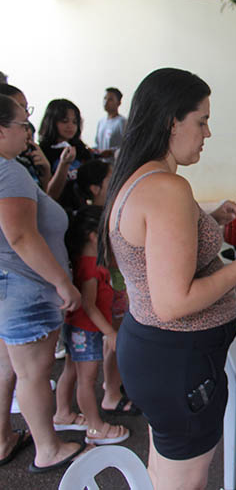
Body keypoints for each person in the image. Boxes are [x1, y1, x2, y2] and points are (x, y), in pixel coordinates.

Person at [98, 67, 236, 490]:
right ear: (171, 122)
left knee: (164, 474)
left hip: (157, 355)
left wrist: (208, 221)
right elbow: (174, 302)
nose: (208, 133)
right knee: (185, 483)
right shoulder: (167, 189)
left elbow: (157, 249)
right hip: (178, 360)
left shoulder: (140, 178)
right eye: (202, 121)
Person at [0, 94, 87, 472]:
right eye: (22, 125)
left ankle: (3, 439)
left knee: (8, 369)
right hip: (26, 287)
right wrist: (62, 283)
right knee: (33, 373)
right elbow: (21, 236)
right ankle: (48, 449)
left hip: (8, 286)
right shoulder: (8, 172)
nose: (28, 132)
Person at [54, 206, 130, 445]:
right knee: (86, 380)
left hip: (78, 328)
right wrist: (110, 332)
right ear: (94, 236)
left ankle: (62, 414)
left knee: (71, 371)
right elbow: (88, 304)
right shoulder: (89, 266)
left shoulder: (88, 260)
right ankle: (95, 427)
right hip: (86, 331)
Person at [38, 99, 95, 210]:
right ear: (52, 122)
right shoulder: (43, 152)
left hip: (81, 209)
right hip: (55, 209)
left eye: (74, 122)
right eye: (64, 121)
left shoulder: (81, 150)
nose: (70, 126)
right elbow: (49, 193)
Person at [0, 84, 51, 189]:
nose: (27, 114)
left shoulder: (25, 159)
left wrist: (45, 173)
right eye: (20, 107)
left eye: (26, 108)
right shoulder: (9, 170)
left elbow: (44, 197)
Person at [96, 87, 126, 154]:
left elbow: (127, 145)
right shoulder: (101, 122)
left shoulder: (122, 122)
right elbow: (97, 144)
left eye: (110, 99)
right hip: (101, 160)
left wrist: (112, 152)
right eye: (105, 98)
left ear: (119, 103)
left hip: (115, 160)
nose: (106, 102)